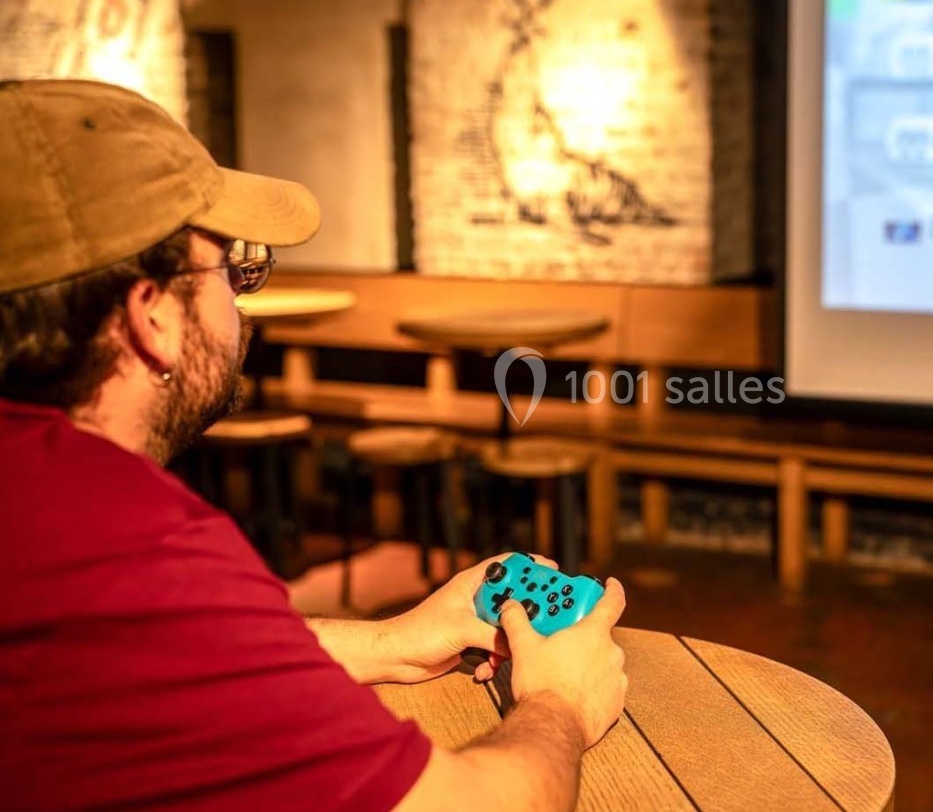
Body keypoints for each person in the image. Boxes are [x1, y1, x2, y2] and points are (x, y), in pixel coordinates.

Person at [0, 78, 627, 812]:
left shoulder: (55, 539)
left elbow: (152, 656)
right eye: (232, 270)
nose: (241, 302)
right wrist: (560, 703)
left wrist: (393, 641)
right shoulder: (127, 547)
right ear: (153, 317)